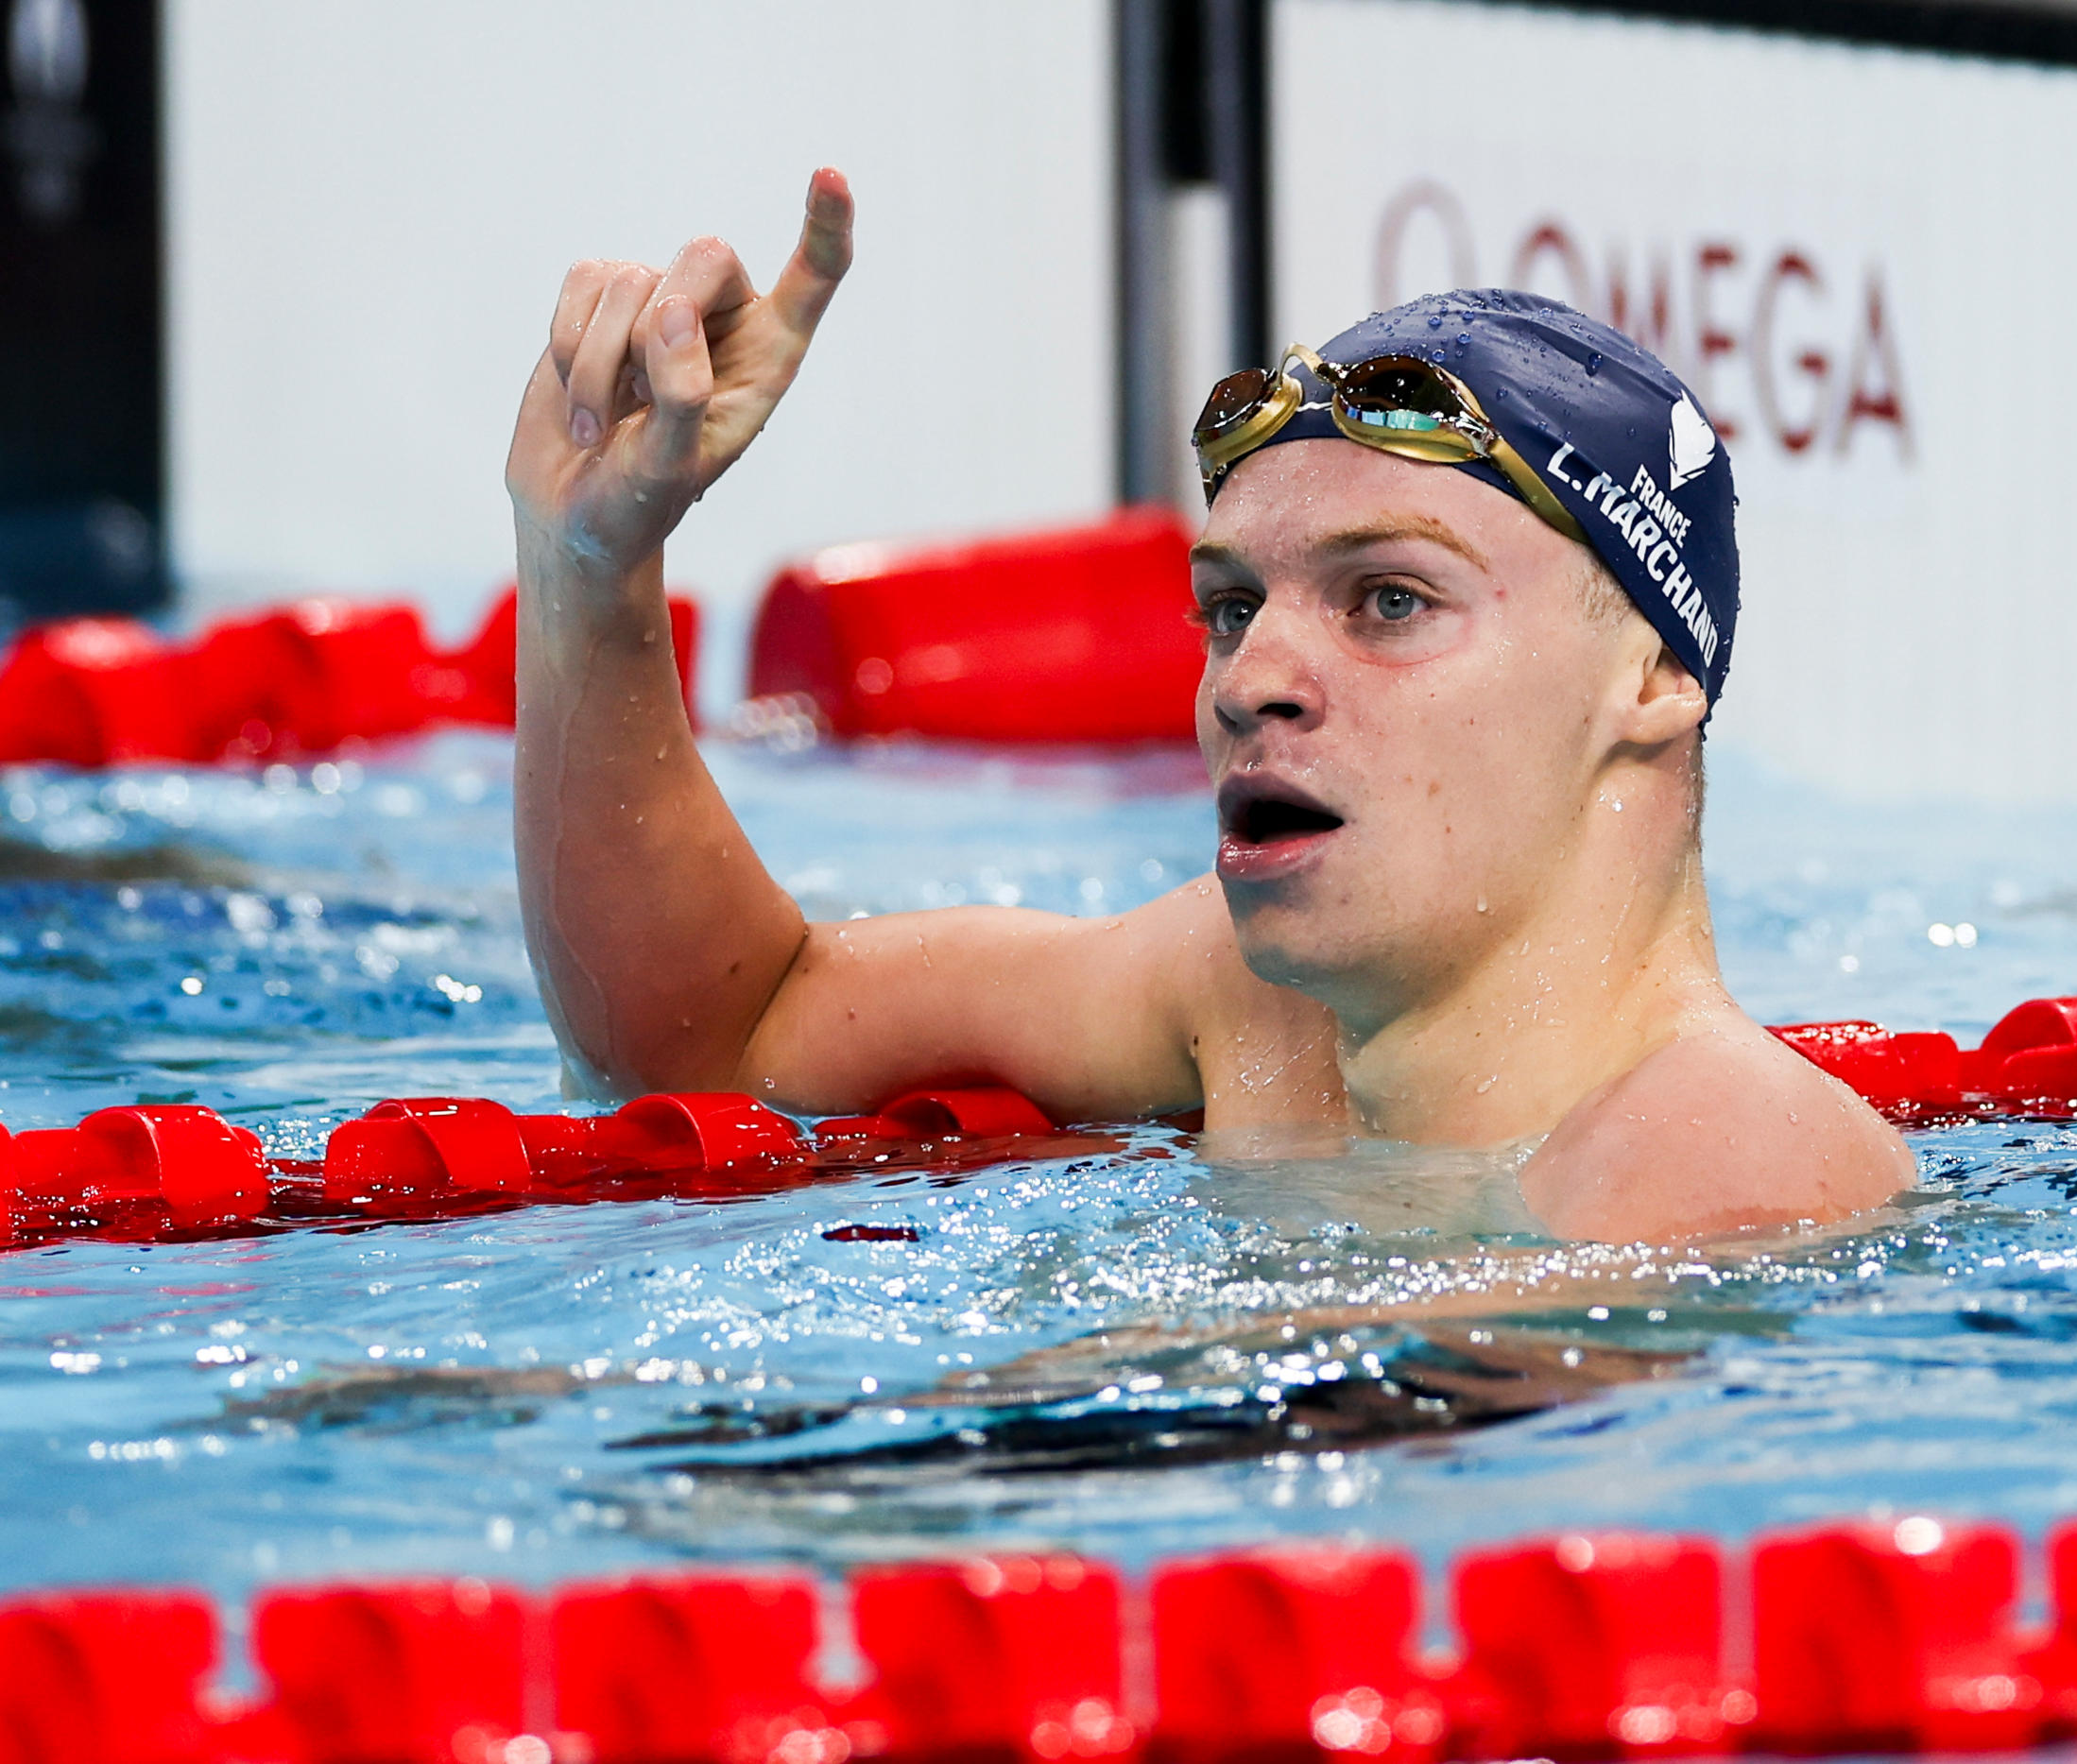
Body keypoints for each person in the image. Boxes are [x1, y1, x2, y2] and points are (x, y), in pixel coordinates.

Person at [505, 168, 1913, 1243]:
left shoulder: (1723, 1160)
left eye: (1390, 602)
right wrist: (590, 569)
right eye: (1233, 608)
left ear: (1655, 678)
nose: (1248, 682)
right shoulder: (1252, 1007)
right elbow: (717, 1042)